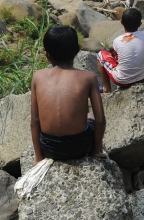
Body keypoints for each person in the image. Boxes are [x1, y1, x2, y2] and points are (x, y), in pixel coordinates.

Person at [31, 26, 106, 165]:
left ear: (47, 55)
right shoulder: (89, 77)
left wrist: (38, 158)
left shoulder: (38, 77)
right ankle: (97, 149)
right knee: (91, 116)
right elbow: (100, 119)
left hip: (49, 149)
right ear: (78, 49)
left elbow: (35, 120)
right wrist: (96, 150)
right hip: (80, 148)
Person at [97, 8, 144, 93]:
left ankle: (106, 88)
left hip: (122, 81)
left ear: (121, 22)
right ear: (140, 24)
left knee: (100, 54)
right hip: (142, 78)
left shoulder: (117, 41)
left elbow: (118, 61)